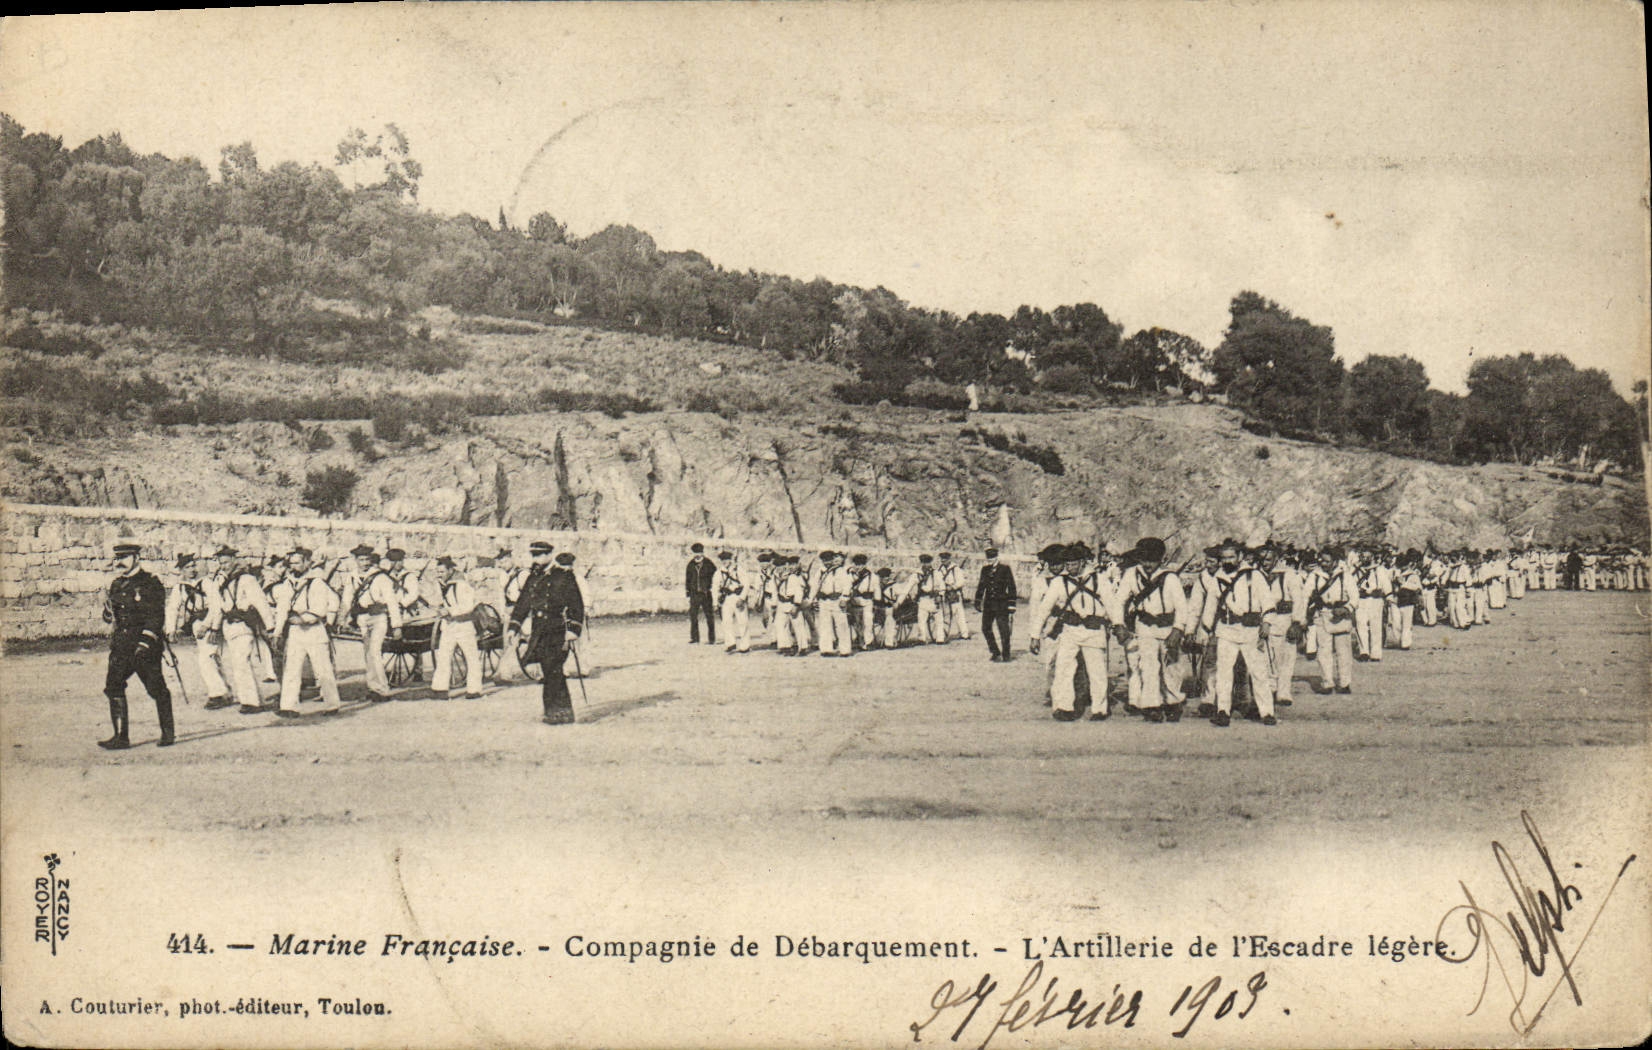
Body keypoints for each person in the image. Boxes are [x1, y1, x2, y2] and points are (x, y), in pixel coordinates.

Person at [99, 543, 175, 749]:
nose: (119, 562)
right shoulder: (116, 585)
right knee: (113, 686)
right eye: (117, 558)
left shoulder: (150, 583)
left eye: (125, 557)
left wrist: (146, 642)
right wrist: (107, 611)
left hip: (143, 647)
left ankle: (168, 733)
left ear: (137, 558)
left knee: (156, 688)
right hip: (121, 647)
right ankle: (120, 737)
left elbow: (156, 617)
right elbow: (111, 617)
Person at [1033, 542, 1119, 721]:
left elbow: (1112, 605)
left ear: (1082, 563)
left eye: (1073, 564)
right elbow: (1044, 609)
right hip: (1070, 631)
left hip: (1094, 630)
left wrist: (1118, 624)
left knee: (1097, 671)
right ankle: (1064, 707)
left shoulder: (1099, 579)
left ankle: (1099, 709)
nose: (1070, 568)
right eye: (1068, 564)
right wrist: (1034, 635)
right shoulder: (1059, 582)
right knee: (1064, 669)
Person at [1198, 540, 1275, 727]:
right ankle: (1223, 710)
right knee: (1224, 672)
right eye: (1224, 558)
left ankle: (1267, 712)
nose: (1228, 561)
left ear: (1240, 557)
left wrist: (1267, 622)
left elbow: (1268, 602)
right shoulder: (1217, 578)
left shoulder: (1254, 576)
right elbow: (1210, 606)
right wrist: (1205, 630)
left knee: (1258, 672)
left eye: (1232, 557)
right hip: (1226, 630)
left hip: (1251, 630)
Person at [510, 541, 584, 725]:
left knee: (554, 668)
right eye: (534, 555)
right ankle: (556, 711)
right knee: (548, 669)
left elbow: (576, 604)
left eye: (540, 555)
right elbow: (523, 603)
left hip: (557, 629)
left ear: (550, 555)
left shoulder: (563, 576)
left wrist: (573, 630)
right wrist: (514, 625)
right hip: (539, 631)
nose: (537, 558)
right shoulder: (533, 577)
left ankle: (559, 712)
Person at [1118, 537, 1191, 722]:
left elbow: (1182, 607)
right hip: (1145, 627)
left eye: (1152, 560)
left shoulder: (1171, 578)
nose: (1148, 564)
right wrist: (1119, 624)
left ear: (1160, 560)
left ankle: (1173, 702)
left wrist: (1178, 629)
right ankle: (1151, 705)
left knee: (1171, 667)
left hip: (1168, 627)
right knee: (1148, 666)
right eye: (1144, 559)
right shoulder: (1131, 575)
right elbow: (1118, 601)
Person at [277, 547, 342, 717]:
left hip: (314, 631)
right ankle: (288, 707)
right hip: (295, 632)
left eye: (298, 562)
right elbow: (282, 608)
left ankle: (331, 705)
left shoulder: (317, 582)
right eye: (291, 563)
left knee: (322, 670)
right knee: (291, 669)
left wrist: (303, 619)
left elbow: (319, 609)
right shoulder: (287, 583)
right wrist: (277, 632)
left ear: (307, 562)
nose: (294, 566)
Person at [215, 554, 276, 714]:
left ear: (234, 561)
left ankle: (252, 702)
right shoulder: (223, 581)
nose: (224, 566)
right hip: (230, 627)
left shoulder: (247, 579)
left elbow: (260, 602)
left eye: (226, 561)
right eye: (221, 563)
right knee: (238, 664)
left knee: (242, 662)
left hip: (243, 625)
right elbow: (220, 606)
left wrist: (270, 627)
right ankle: (250, 699)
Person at [350, 544, 403, 701]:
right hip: (362, 618)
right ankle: (373, 687)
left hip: (379, 617)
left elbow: (392, 602)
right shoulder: (351, 576)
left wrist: (397, 626)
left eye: (367, 559)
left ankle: (383, 689)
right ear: (356, 560)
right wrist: (341, 618)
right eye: (361, 560)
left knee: (374, 651)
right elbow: (347, 598)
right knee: (368, 653)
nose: (364, 563)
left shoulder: (380, 577)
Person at [1258, 544, 1306, 710]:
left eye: (1268, 560)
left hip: (1284, 620)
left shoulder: (1289, 575)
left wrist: (1297, 623)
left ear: (1276, 559)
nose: (1264, 563)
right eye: (1262, 559)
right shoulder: (1256, 575)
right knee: (1266, 657)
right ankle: (1270, 688)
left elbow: (1299, 600)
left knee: (1286, 658)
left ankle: (1284, 691)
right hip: (1264, 621)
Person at [431, 556, 485, 699]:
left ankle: (474, 690)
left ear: (450, 570)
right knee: (443, 656)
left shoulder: (461, 585)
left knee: (471, 657)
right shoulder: (442, 585)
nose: (439, 574)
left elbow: (469, 606)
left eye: (441, 571)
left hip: (464, 626)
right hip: (449, 626)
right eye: (437, 571)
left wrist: (450, 611)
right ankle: (440, 688)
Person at [1309, 547, 1358, 694]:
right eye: (1322, 560)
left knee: (1344, 651)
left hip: (1341, 615)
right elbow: (1306, 594)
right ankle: (1327, 682)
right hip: (1322, 614)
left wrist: (1346, 608)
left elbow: (1355, 597)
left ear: (1335, 561)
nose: (1323, 564)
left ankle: (1344, 683)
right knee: (1324, 650)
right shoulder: (1315, 576)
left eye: (1327, 561)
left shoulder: (1345, 576)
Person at [973, 547, 1018, 662]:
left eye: (992, 558)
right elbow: (981, 585)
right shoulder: (985, 569)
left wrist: (1012, 604)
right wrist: (978, 600)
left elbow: (1011, 586)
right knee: (985, 628)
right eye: (989, 558)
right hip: (988, 604)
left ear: (997, 557)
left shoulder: (1005, 569)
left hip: (1001, 604)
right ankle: (995, 651)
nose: (990, 560)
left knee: (1003, 630)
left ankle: (1006, 654)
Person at [814, 551, 854, 657]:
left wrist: (844, 599)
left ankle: (845, 650)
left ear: (833, 560)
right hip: (824, 601)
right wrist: (813, 599)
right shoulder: (820, 572)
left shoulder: (841, 571)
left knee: (841, 625)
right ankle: (826, 649)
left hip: (837, 600)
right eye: (824, 561)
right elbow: (814, 586)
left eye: (828, 560)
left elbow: (847, 585)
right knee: (825, 625)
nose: (827, 562)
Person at [561, 551, 594, 677]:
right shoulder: (559, 578)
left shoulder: (578, 578)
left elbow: (586, 594)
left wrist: (585, 609)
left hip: (577, 613)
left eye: (568, 565)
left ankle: (584, 669)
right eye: (564, 566)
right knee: (563, 641)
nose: (566, 568)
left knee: (581, 641)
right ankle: (564, 669)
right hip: (563, 614)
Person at [715, 550, 751, 654]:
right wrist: (715, 602)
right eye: (723, 560)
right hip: (727, 598)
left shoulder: (738, 570)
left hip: (738, 596)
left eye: (727, 560)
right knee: (726, 622)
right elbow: (715, 587)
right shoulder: (719, 573)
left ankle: (745, 645)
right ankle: (730, 643)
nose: (725, 562)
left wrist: (742, 598)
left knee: (742, 621)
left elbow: (746, 584)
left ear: (731, 560)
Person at [684, 542, 718, 644]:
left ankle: (711, 639)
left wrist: (712, 588)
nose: (697, 554)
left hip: (706, 594)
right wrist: (688, 592)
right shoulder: (690, 565)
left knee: (709, 616)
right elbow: (688, 579)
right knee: (693, 615)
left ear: (702, 552)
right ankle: (695, 638)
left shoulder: (709, 563)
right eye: (695, 553)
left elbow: (716, 577)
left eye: (699, 552)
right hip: (694, 594)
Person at [939, 552, 972, 641]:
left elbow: (961, 581)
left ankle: (964, 633)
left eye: (945, 559)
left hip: (954, 594)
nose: (943, 561)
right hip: (944, 594)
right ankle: (942, 634)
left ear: (949, 559)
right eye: (942, 559)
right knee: (943, 614)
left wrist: (953, 587)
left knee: (959, 614)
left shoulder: (955, 569)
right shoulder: (940, 569)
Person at [913, 554, 945, 644]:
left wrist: (940, 595)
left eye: (927, 563)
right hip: (923, 599)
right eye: (924, 563)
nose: (926, 565)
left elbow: (942, 586)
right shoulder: (917, 574)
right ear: (921, 563)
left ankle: (940, 638)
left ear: (931, 563)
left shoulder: (937, 573)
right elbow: (911, 586)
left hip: (933, 599)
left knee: (938, 619)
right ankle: (922, 638)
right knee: (921, 619)